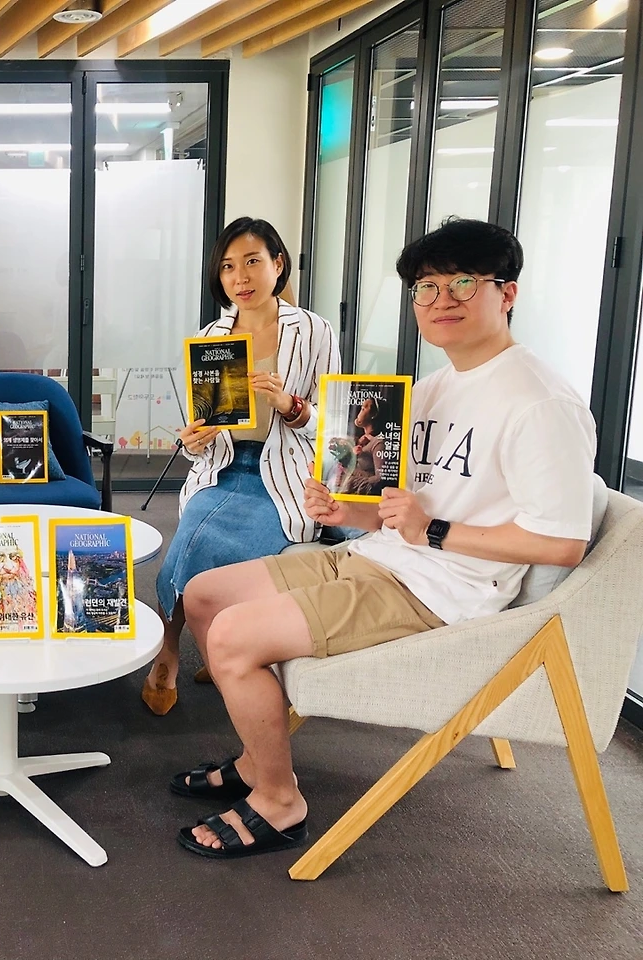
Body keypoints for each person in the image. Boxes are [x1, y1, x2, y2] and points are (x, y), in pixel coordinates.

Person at [173, 218, 596, 859]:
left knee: (232, 636)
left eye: (462, 283)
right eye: (426, 288)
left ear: (506, 293)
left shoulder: (539, 403)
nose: (440, 301)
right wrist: (344, 508)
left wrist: (434, 531)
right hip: (380, 556)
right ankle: (258, 763)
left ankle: (280, 802)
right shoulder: (432, 389)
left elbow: (562, 545)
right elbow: (392, 510)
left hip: (440, 590)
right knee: (205, 594)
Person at [141, 217, 341, 716]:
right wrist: (193, 440)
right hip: (224, 469)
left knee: (239, 556)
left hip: (285, 474)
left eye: (252, 261)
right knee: (190, 542)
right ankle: (169, 650)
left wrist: (292, 406)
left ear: (278, 264)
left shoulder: (312, 331)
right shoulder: (212, 336)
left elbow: (334, 423)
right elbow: (204, 432)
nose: (241, 277)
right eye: (228, 267)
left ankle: (216, 646)